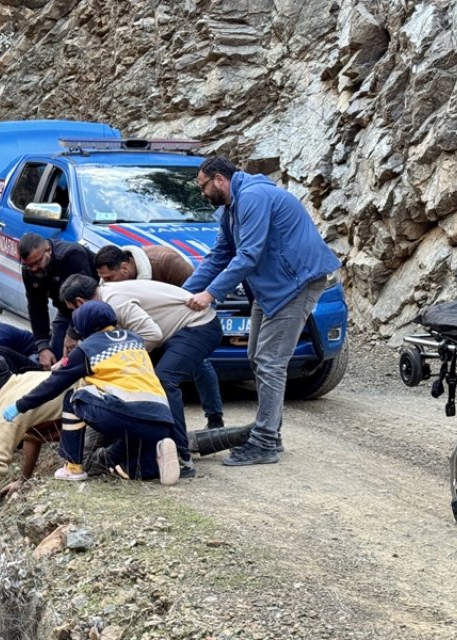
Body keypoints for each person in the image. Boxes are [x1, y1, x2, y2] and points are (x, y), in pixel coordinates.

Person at [182, 157, 341, 466]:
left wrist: (211, 294)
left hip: (297, 282)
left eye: (203, 186)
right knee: (258, 356)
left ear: (218, 180)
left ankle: (265, 441)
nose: (202, 194)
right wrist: (182, 294)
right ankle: (271, 434)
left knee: (270, 361)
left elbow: (248, 255)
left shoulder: (252, 197)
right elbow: (219, 256)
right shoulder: (230, 209)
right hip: (272, 288)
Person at [59, 273, 222, 477]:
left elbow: (152, 334)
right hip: (173, 332)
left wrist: (118, 356)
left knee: (164, 379)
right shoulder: (105, 300)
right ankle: (152, 450)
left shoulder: (115, 302)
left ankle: (182, 457)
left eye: (74, 311)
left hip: (198, 326)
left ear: (80, 302)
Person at [2, 301, 180, 485]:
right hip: (162, 418)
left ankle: (73, 467)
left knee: (74, 398)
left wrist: (19, 405)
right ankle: (155, 459)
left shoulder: (87, 350)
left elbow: (53, 385)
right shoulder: (134, 339)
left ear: (83, 326)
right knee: (125, 466)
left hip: (127, 416)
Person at [96, 245, 225, 430]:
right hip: (153, 329)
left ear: (124, 268)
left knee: (196, 363)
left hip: (187, 322)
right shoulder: (112, 287)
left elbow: (192, 297)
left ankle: (214, 418)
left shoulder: (167, 263)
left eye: (109, 278)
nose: (105, 283)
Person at [0, 356, 71, 526]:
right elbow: (32, 435)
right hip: (104, 395)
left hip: (95, 417)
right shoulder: (28, 377)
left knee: (88, 462)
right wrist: (24, 479)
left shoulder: (8, 412)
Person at [16, 233, 96, 369]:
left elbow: (88, 299)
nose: (34, 269)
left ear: (48, 250)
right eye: (29, 265)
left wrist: (73, 332)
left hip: (93, 308)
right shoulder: (28, 270)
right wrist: (42, 347)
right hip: (66, 311)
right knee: (57, 356)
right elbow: (37, 308)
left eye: (37, 262)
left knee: (89, 356)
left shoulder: (71, 255)